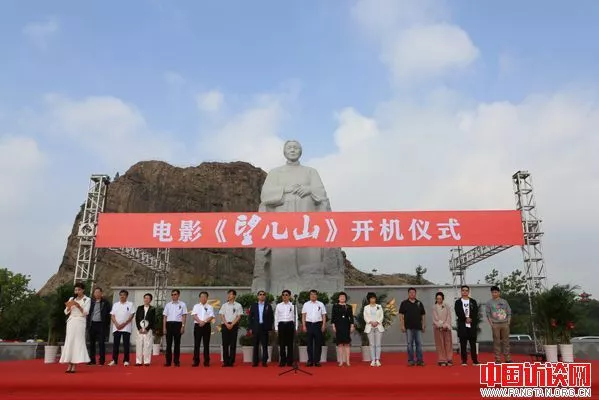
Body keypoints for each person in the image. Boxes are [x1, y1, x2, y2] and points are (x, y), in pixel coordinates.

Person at [252, 140, 344, 296]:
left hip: (307, 218)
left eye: (296, 148)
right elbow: (266, 195)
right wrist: (284, 190)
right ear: (284, 151)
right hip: (282, 219)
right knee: (282, 253)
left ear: (300, 151)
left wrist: (308, 190)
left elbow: (321, 193)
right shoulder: (275, 172)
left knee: (308, 254)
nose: (293, 150)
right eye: (289, 147)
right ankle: (278, 291)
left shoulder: (310, 172)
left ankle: (312, 289)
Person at [60, 282, 91, 373]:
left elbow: (86, 312)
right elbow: (66, 312)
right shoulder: (71, 298)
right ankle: (69, 364)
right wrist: (69, 307)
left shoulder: (87, 299)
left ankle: (74, 365)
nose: (77, 291)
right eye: (76, 290)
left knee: (77, 342)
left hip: (80, 321)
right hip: (71, 321)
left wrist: (78, 306)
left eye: (79, 290)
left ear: (83, 290)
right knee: (70, 341)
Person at [399, 287, 426, 366]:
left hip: (418, 327)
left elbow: (423, 314)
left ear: (415, 293)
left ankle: (420, 360)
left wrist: (423, 325)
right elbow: (401, 315)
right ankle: (411, 360)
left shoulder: (419, 303)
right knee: (409, 344)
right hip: (408, 327)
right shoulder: (404, 303)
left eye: (413, 292)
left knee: (419, 344)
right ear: (408, 294)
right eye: (410, 292)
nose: (412, 294)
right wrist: (402, 325)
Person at [454, 285, 480, 366]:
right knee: (463, 344)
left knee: (473, 343)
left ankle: (475, 360)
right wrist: (465, 318)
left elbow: (475, 312)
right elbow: (458, 312)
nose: (465, 292)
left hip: (472, 325)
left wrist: (470, 318)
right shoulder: (458, 302)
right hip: (462, 325)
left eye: (466, 290)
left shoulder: (473, 301)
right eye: (463, 290)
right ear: (461, 291)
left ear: (468, 292)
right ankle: (464, 360)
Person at [108, 290, 135, 366]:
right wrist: (116, 324)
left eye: (124, 295)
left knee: (126, 345)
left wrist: (124, 324)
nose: (122, 296)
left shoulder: (130, 304)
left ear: (127, 296)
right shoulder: (115, 304)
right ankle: (114, 360)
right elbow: (112, 315)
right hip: (116, 327)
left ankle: (126, 360)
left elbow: (132, 315)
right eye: (121, 295)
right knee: (115, 345)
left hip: (126, 327)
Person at [486, 286, 512, 363]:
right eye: (493, 292)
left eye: (496, 292)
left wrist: (508, 321)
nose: (494, 294)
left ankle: (507, 358)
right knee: (496, 341)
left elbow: (509, 312)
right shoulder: (489, 302)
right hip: (495, 324)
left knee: (506, 341)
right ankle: (498, 359)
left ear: (499, 293)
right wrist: (491, 323)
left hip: (505, 323)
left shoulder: (504, 301)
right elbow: (488, 314)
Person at [301, 289, 327, 367]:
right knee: (309, 344)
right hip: (309, 324)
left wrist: (323, 325)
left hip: (318, 325)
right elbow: (303, 316)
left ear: (317, 295)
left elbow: (323, 315)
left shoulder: (321, 304)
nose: (313, 296)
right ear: (309, 296)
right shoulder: (306, 304)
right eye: (311, 294)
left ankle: (317, 361)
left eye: (314, 294)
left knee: (318, 344)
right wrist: (304, 325)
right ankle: (310, 361)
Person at [248, 290, 274, 367]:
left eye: (263, 294)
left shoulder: (268, 306)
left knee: (264, 345)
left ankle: (264, 361)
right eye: (260, 294)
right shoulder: (254, 305)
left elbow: (271, 318)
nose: (262, 296)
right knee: (255, 345)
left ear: (265, 296)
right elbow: (250, 318)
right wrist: (250, 327)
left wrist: (269, 328)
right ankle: (255, 362)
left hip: (264, 327)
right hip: (256, 327)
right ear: (258, 296)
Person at [86, 286, 111, 366]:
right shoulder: (91, 302)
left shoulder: (105, 302)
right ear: (94, 294)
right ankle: (92, 360)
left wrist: (106, 324)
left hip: (101, 325)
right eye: (95, 292)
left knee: (101, 343)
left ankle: (101, 361)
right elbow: (88, 313)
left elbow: (109, 314)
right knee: (91, 343)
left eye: (98, 292)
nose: (97, 294)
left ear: (101, 293)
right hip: (92, 324)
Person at [162, 289, 187, 367]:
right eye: (172, 295)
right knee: (168, 344)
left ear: (178, 295)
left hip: (178, 325)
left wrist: (183, 326)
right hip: (169, 325)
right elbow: (165, 317)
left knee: (177, 344)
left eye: (175, 294)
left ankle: (176, 361)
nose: (173, 296)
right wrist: (164, 328)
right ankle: (168, 362)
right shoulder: (168, 305)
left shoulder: (182, 304)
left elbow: (184, 316)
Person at [274, 289, 298, 367]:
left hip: (290, 324)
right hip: (281, 325)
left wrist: (296, 327)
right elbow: (276, 317)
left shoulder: (293, 305)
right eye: (283, 295)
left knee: (290, 344)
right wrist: (276, 328)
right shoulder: (278, 305)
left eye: (286, 295)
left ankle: (290, 361)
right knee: (282, 344)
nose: (284, 296)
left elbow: (296, 317)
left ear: (289, 296)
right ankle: (282, 361)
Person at [219, 289, 243, 367]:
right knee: (225, 344)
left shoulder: (238, 305)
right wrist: (226, 324)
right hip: (225, 325)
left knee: (233, 344)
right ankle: (225, 361)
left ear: (234, 296)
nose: (229, 296)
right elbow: (221, 315)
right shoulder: (224, 305)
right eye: (228, 294)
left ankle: (231, 361)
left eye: (231, 294)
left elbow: (239, 316)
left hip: (234, 325)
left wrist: (232, 324)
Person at [191, 291, 215, 367]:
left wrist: (204, 322)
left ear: (207, 298)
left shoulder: (210, 307)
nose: (203, 298)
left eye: (204, 297)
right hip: (198, 326)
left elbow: (211, 316)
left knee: (206, 344)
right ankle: (196, 361)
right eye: (201, 297)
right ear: (199, 298)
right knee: (196, 344)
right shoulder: (196, 306)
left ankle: (206, 361)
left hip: (206, 326)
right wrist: (200, 321)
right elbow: (194, 315)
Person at [331, 291, 354, 367]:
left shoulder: (349, 306)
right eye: (341, 297)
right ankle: (341, 361)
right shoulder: (335, 306)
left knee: (347, 344)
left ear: (345, 298)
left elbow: (351, 317)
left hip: (346, 326)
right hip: (338, 326)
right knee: (340, 344)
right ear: (338, 298)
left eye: (343, 297)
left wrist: (352, 326)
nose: (342, 298)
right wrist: (333, 326)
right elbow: (333, 317)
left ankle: (348, 361)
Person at [432, 291, 453, 366]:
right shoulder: (434, 307)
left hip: (446, 328)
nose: (439, 300)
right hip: (438, 328)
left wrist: (446, 325)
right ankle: (442, 359)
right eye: (437, 299)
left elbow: (449, 316)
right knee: (440, 344)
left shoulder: (446, 306)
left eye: (440, 298)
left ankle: (449, 358)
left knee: (448, 343)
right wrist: (440, 325)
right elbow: (435, 318)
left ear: (443, 299)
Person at [363, 292, 384, 367]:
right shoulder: (366, 307)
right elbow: (365, 317)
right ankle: (373, 360)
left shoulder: (379, 306)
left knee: (378, 344)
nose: (373, 299)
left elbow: (382, 316)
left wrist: (377, 322)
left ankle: (377, 360)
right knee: (372, 344)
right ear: (369, 299)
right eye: (371, 298)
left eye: (374, 298)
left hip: (378, 327)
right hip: (369, 327)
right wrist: (371, 322)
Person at [134, 293, 156, 366]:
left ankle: (147, 361)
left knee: (147, 345)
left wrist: (147, 329)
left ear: (150, 300)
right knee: (139, 345)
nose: (146, 299)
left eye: (148, 298)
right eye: (145, 298)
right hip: (140, 330)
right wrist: (139, 328)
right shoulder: (139, 308)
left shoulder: (153, 309)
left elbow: (153, 320)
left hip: (148, 330)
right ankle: (138, 361)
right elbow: (136, 318)